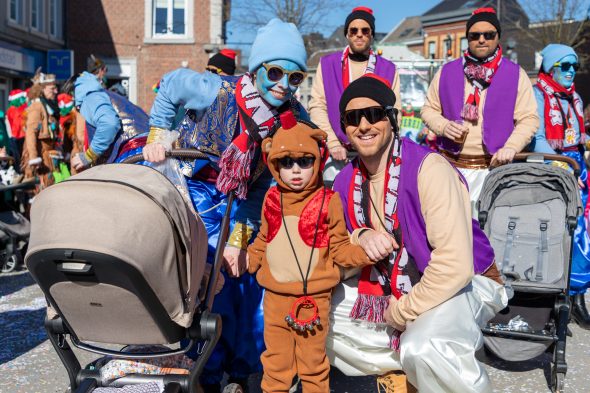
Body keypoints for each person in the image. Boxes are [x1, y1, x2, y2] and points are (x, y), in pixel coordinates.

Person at [142, 19, 309, 392]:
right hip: (195, 191)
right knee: (207, 281)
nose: (284, 84)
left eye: (295, 77)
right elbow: (170, 85)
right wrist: (158, 134)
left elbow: (264, 183)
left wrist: (239, 239)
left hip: (244, 201)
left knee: (246, 277)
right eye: (276, 72)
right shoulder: (216, 89)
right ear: (257, 69)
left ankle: (245, 369)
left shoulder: (291, 119)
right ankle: (205, 370)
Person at [328, 74, 506, 393]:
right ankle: (408, 376)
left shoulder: (429, 169)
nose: (364, 125)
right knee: (317, 319)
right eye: (353, 118)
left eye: (375, 114)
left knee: (426, 345)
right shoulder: (344, 183)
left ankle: (426, 362)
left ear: (392, 119)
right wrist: (361, 237)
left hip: (465, 283)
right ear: (345, 128)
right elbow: (338, 257)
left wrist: (401, 310)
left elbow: (454, 265)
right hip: (388, 285)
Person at [247, 112, 373, 392]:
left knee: (313, 366)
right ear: (273, 164)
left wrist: (366, 254)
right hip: (276, 298)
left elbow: (340, 249)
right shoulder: (271, 198)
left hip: (313, 300)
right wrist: (250, 258)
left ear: (317, 160)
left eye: (304, 161)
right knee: (276, 365)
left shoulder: (329, 201)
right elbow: (265, 237)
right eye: (285, 162)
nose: (295, 170)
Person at [421, 7, 539, 217]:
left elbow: (528, 119)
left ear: (498, 37)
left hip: (494, 169)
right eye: (475, 35)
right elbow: (429, 109)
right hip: (450, 167)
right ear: (468, 38)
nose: (481, 40)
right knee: (450, 234)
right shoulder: (447, 71)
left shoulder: (515, 74)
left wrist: (511, 147)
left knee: (488, 238)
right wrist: (443, 126)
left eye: (489, 35)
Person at [531, 44, 590, 329]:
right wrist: (563, 167)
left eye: (573, 67)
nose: (570, 72)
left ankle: (577, 296)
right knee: (559, 233)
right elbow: (537, 136)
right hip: (552, 167)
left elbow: (578, 135)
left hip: (578, 166)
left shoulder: (574, 97)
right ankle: (549, 301)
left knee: (583, 234)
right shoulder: (538, 94)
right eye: (564, 66)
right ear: (550, 68)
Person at [309, 6, 400, 164]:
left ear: (372, 34)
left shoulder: (388, 69)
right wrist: (333, 143)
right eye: (353, 30)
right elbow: (317, 107)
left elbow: (395, 114)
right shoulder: (327, 64)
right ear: (346, 34)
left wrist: (383, 148)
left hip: (376, 152)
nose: (359, 34)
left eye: (365, 30)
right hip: (337, 152)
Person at [72, 55, 149, 171]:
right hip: (142, 150)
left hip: (133, 152)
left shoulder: (91, 96)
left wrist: (89, 156)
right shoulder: (99, 94)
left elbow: (109, 124)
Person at [22, 70, 60, 188]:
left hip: (49, 158)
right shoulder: (37, 107)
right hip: (41, 161)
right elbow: (31, 133)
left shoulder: (48, 107)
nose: (56, 91)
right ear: (42, 89)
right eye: (52, 88)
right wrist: (34, 158)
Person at [5, 89, 27, 166]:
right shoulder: (13, 109)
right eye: (22, 98)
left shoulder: (17, 109)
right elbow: (17, 125)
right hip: (17, 137)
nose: (24, 100)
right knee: (19, 157)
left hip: (20, 136)